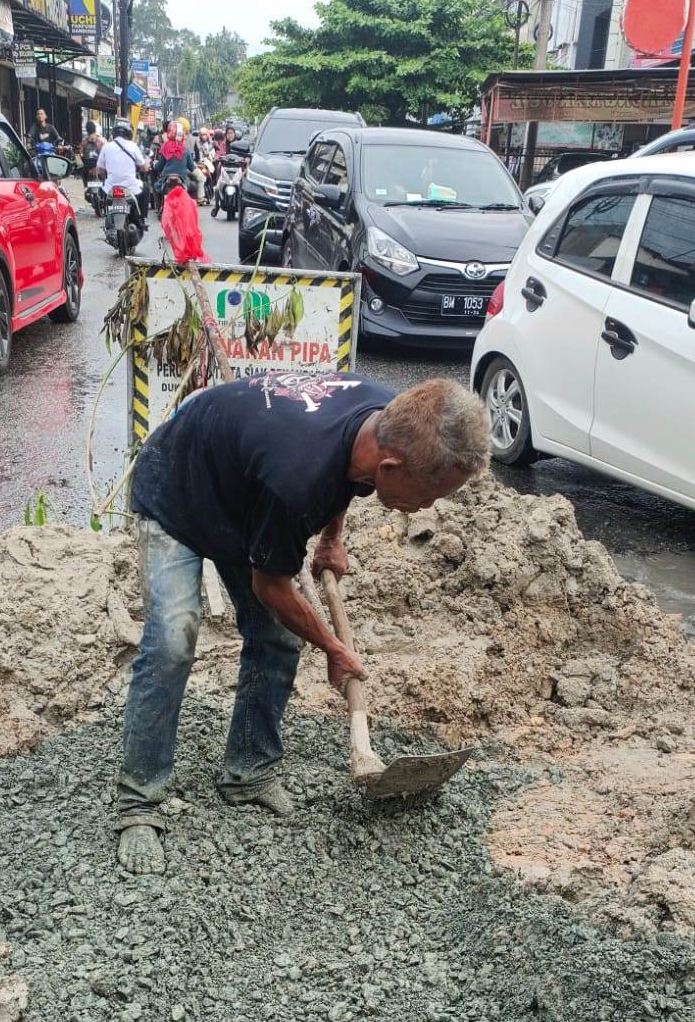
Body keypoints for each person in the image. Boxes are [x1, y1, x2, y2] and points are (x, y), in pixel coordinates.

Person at [114, 373, 489, 875]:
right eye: (429, 494)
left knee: (276, 635)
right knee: (173, 639)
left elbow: (349, 479)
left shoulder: (387, 415)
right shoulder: (296, 478)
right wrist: (335, 648)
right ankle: (139, 803)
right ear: (392, 466)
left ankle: (248, 770)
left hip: (245, 493)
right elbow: (271, 587)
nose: (428, 507)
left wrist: (331, 538)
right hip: (178, 488)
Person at [95, 116, 148, 223]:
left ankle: (107, 215)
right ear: (129, 132)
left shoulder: (106, 147)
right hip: (130, 187)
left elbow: (99, 169)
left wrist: (104, 176)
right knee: (146, 188)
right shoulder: (133, 146)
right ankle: (142, 219)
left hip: (110, 188)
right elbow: (144, 168)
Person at [152, 122, 195, 204]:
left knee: (155, 187)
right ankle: (190, 206)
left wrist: (154, 165)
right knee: (193, 187)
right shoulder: (185, 149)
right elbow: (192, 168)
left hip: (166, 178)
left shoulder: (165, 147)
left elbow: (159, 166)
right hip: (182, 179)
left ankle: (158, 207)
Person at [79, 119, 103, 187]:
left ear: (87, 130)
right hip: (99, 167)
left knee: (83, 175)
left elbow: (80, 154)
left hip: (87, 167)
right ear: (95, 129)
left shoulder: (84, 142)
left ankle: (86, 187)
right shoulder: (101, 141)